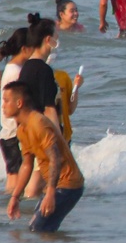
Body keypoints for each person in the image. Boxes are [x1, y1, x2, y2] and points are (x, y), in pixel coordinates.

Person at [6, 80, 85, 233]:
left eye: (6, 100)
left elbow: (55, 158)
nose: (3, 105)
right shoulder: (22, 130)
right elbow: (27, 165)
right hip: (56, 185)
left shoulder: (38, 123)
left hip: (68, 184)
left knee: (37, 229)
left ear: (19, 103)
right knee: (41, 229)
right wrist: (15, 197)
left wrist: (50, 193)